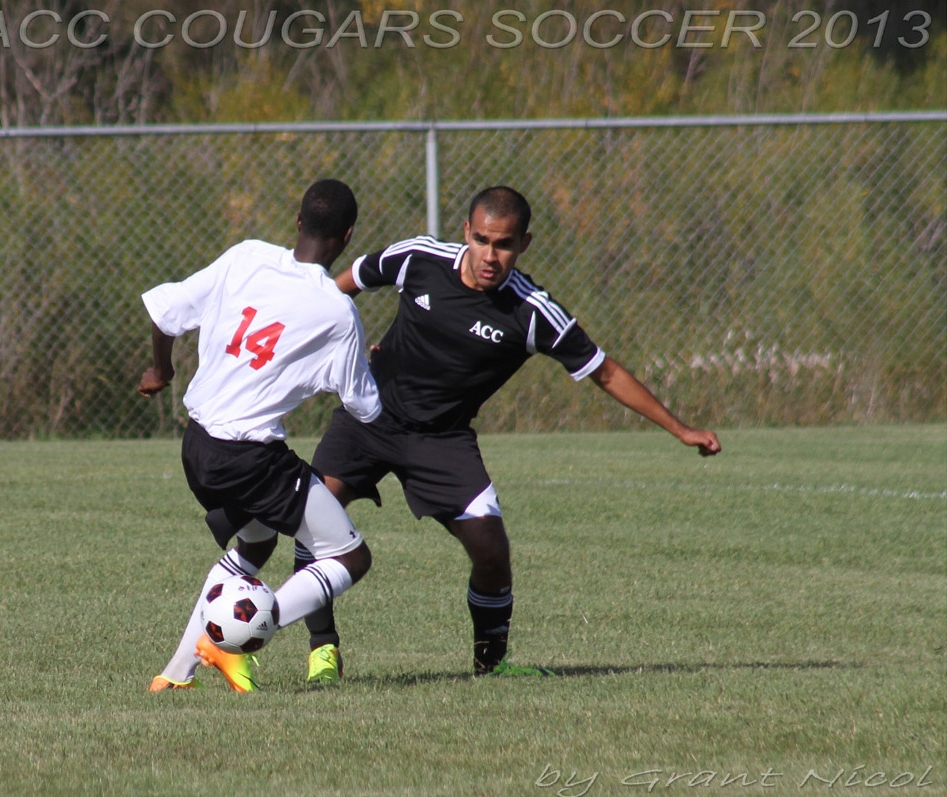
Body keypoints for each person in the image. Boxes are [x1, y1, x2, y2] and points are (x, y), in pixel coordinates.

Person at [298, 185, 721, 681]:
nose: (490, 255)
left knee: (491, 549)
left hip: (442, 439)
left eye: (503, 244)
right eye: (481, 240)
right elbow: (335, 291)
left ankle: (491, 665)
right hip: (369, 417)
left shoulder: (533, 311)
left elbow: (605, 372)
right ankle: (322, 649)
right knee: (314, 516)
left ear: (524, 244)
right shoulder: (417, 258)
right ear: (466, 233)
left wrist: (680, 429)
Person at [137, 178, 381, 692]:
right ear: (348, 236)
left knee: (255, 540)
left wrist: (161, 372)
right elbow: (363, 406)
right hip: (250, 457)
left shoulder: (246, 256)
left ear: (297, 222)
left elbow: (164, 313)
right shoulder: (338, 311)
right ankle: (235, 638)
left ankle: (176, 674)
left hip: (197, 446)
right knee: (349, 557)